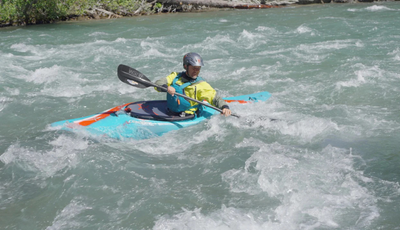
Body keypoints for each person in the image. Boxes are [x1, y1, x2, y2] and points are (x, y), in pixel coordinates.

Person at [154, 52, 232, 117]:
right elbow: (158, 83)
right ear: (185, 66)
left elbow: (215, 98)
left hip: (187, 116)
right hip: (169, 111)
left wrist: (224, 107)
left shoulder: (201, 85)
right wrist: (166, 87)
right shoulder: (175, 77)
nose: (196, 71)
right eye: (193, 68)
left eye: (198, 68)